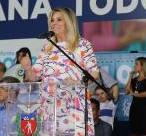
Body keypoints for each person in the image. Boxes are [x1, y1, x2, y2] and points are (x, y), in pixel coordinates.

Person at [20, 7, 99, 135]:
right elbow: (33, 78)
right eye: (52, 20)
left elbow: (94, 74)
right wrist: (28, 68)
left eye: (59, 19)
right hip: (49, 108)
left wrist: (77, 81)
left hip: (74, 107)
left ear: (69, 22)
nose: (54, 23)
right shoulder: (46, 48)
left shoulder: (83, 45)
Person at [125, 57, 146, 136]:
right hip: (134, 109)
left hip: (144, 110)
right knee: (133, 132)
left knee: (145, 132)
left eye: (136, 64)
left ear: (143, 66)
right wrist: (130, 77)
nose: (134, 66)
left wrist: (134, 94)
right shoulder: (134, 79)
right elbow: (127, 91)